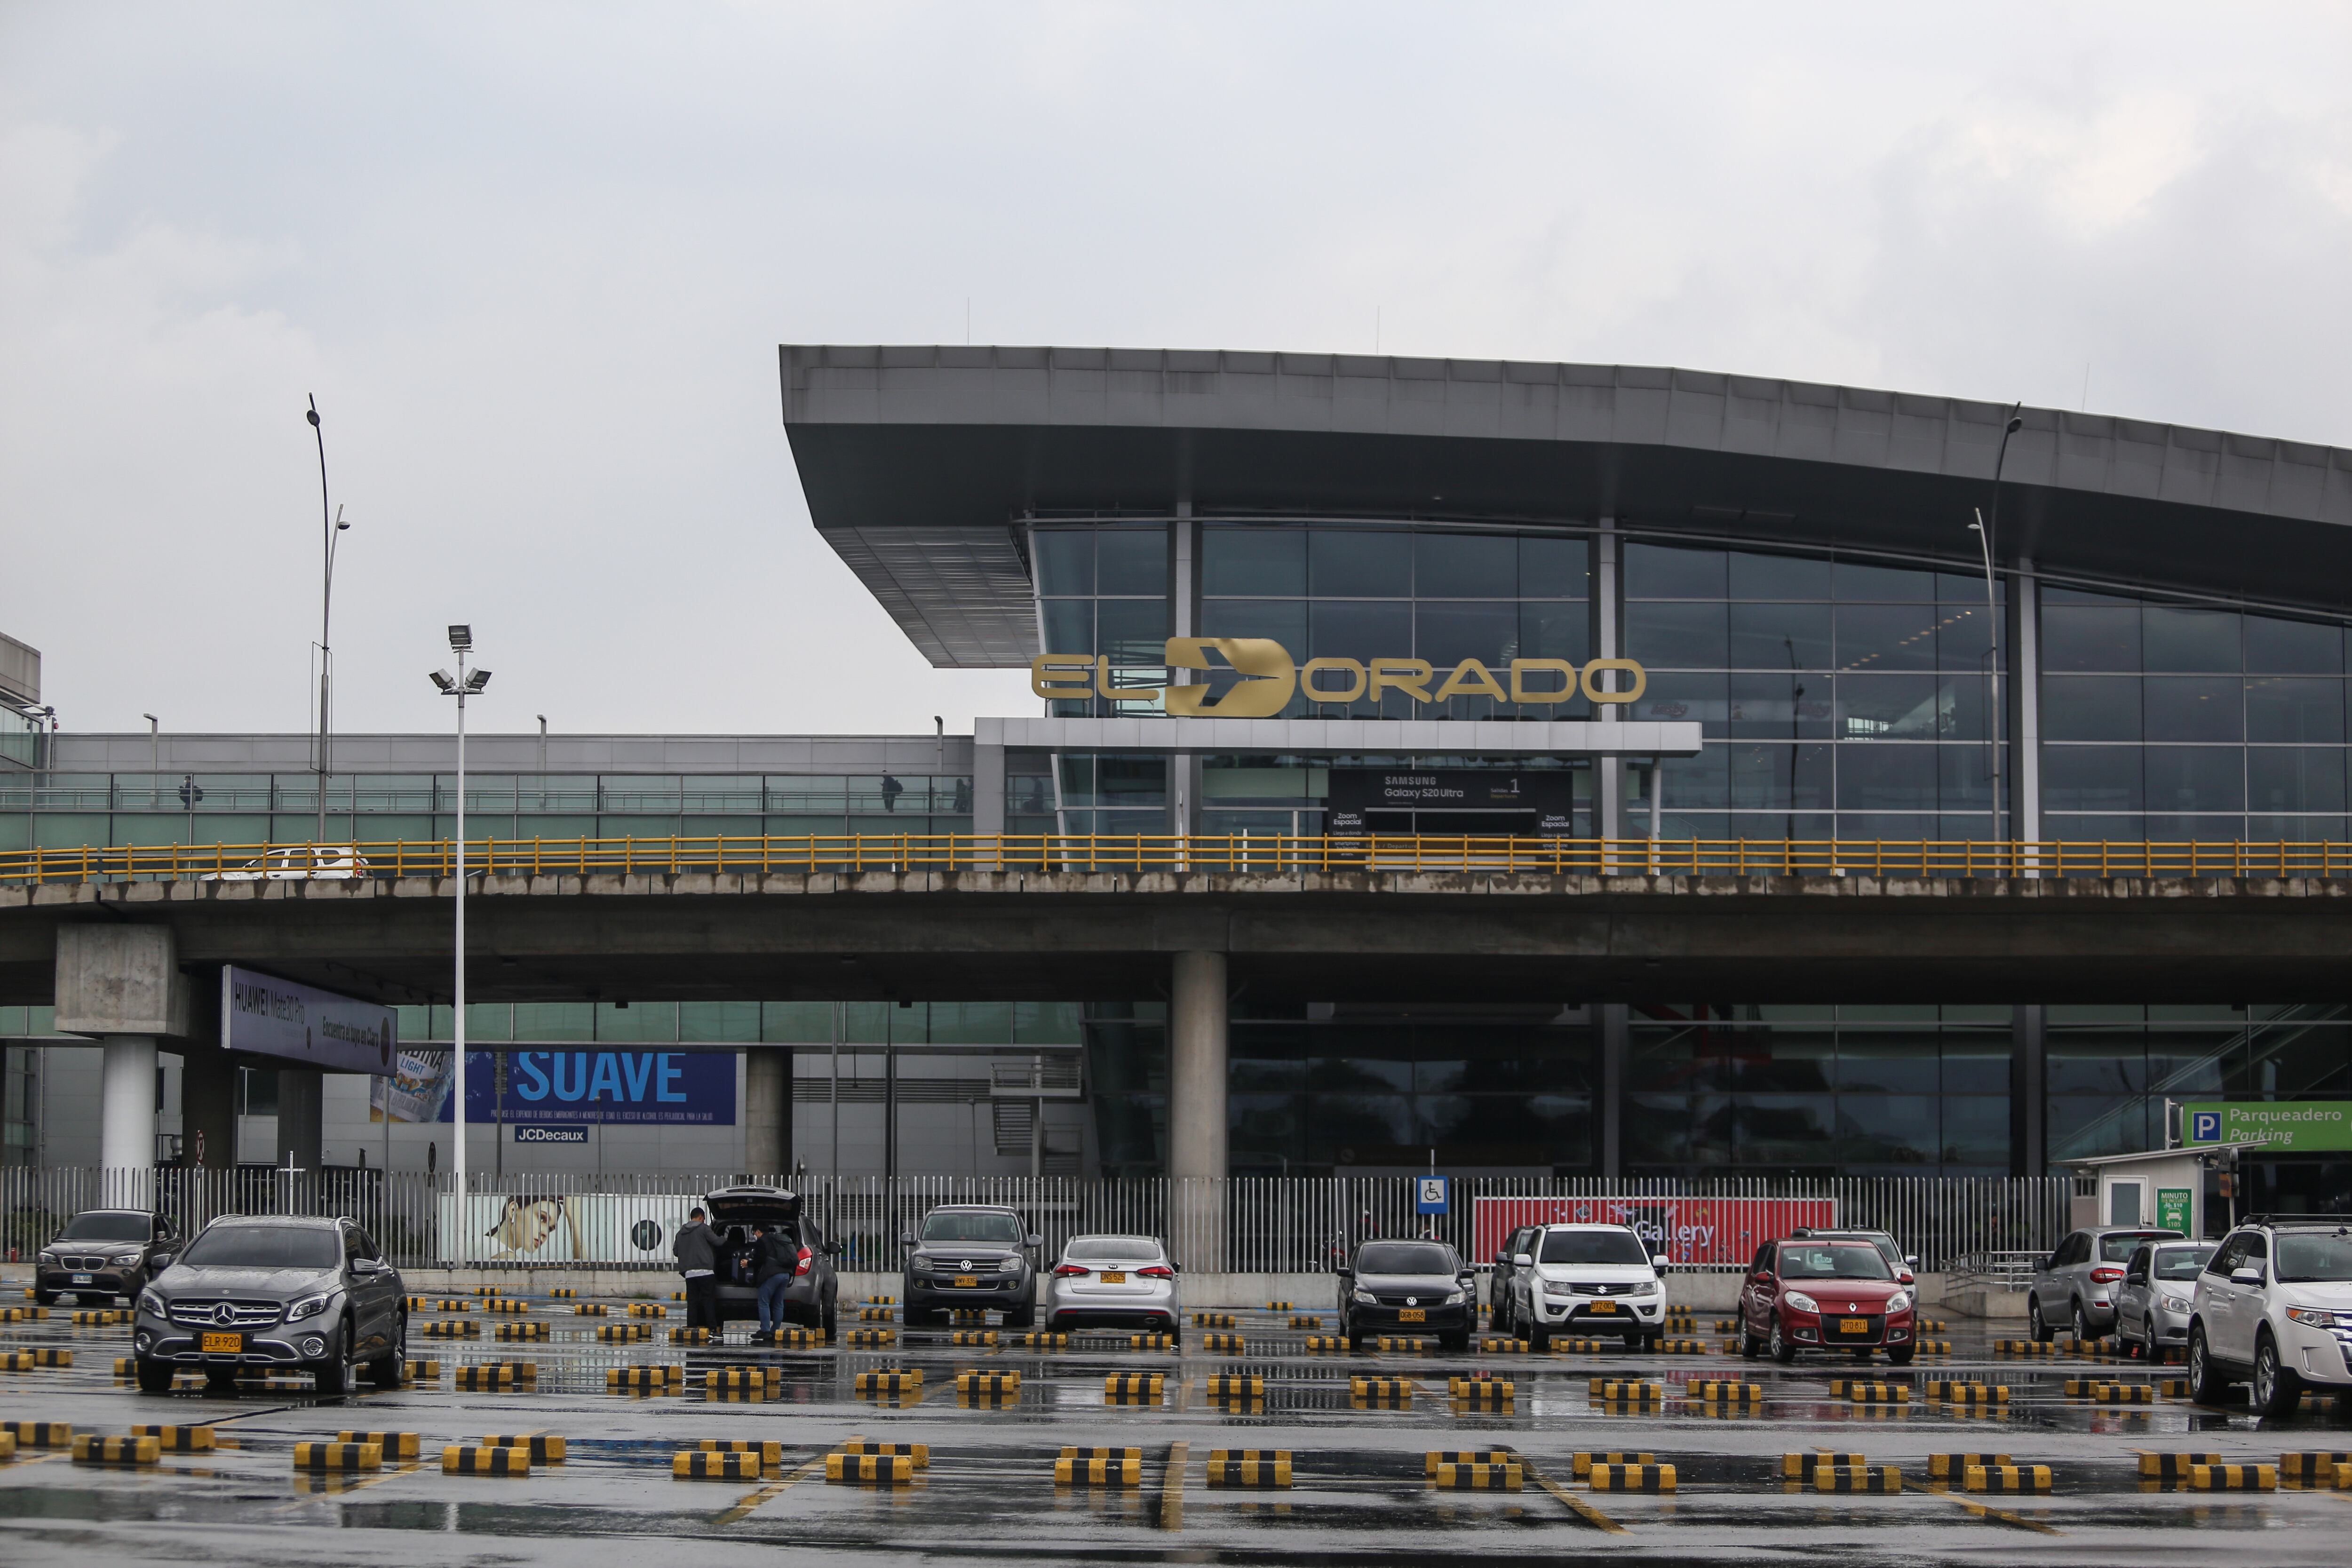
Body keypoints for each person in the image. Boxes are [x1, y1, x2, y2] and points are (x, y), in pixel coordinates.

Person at [673, 1206, 718, 1330]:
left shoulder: (681, 1232)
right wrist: (726, 1241)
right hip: (706, 1272)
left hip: (690, 1274)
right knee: (708, 1301)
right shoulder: (704, 1228)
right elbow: (717, 1242)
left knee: (692, 1301)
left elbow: (676, 1251)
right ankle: (712, 1328)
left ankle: (692, 1326)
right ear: (701, 1217)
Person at [752, 1220, 798, 1336]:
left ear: (758, 1231)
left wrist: (748, 1263)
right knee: (778, 1303)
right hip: (786, 1275)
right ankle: (776, 1331)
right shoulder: (777, 1240)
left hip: (772, 1275)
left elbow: (760, 1260)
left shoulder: (762, 1241)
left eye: (754, 1233)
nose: (755, 1236)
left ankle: (765, 1330)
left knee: (764, 1302)